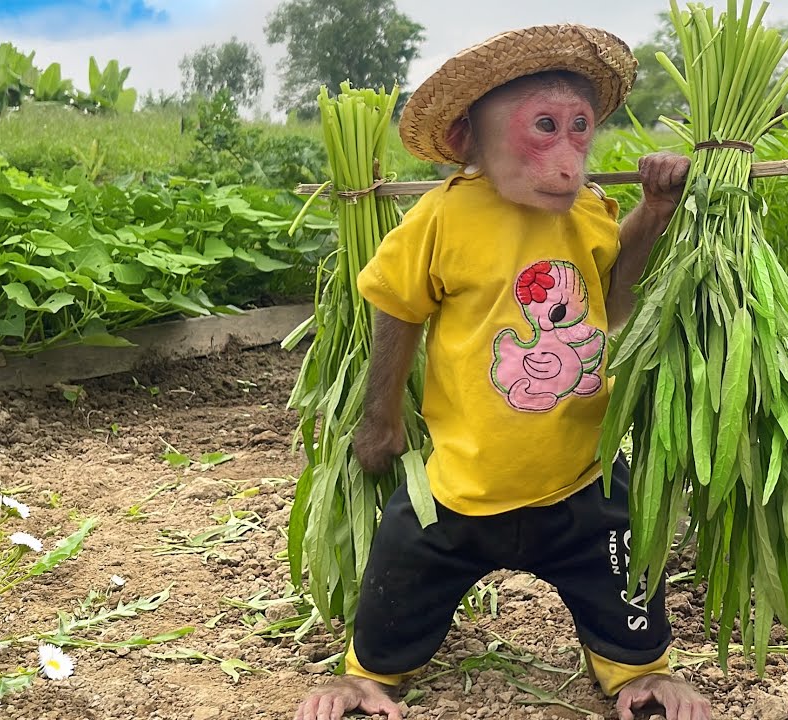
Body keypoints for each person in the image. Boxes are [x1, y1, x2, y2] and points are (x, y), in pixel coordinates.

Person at [295, 23, 709, 720]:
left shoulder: (591, 211)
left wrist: (655, 211)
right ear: (467, 141)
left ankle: (639, 671)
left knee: (628, 552)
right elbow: (396, 307)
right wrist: (381, 418)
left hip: (579, 477)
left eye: (580, 130)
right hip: (464, 484)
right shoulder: (443, 216)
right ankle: (368, 676)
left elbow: (611, 302)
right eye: (543, 127)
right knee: (403, 552)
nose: (568, 159)